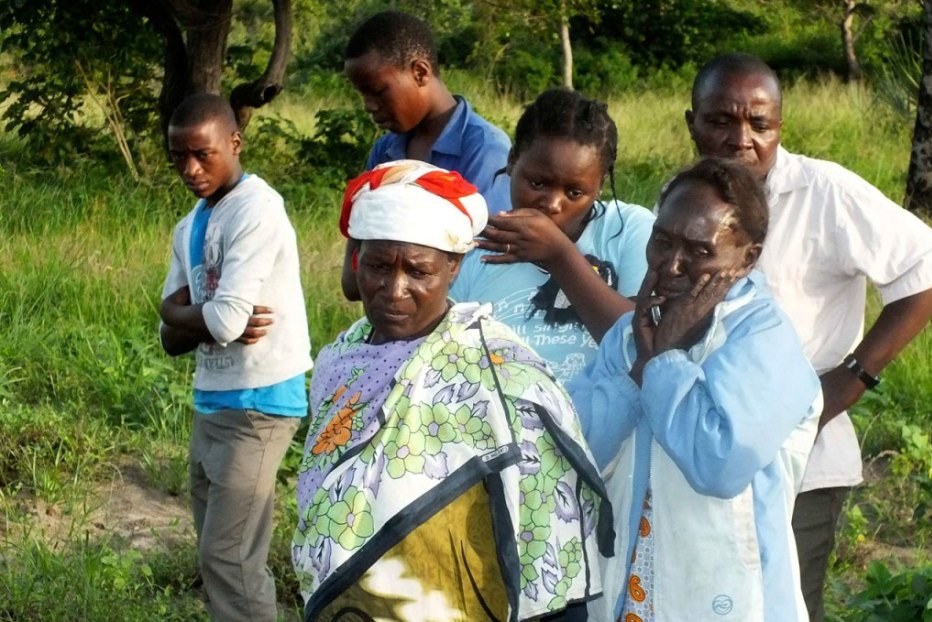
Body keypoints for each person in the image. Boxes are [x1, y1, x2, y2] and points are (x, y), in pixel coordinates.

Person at [684, 52, 932, 621]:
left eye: (759, 123)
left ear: (779, 126)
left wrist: (852, 379)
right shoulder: (686, 197)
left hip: (801, 460)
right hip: (701, 450)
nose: (741, 138)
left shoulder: (823, 191)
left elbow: (930, 268)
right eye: (721, 120)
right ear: (691, 122)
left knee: (784, 605)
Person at [293, 160, 612, 622]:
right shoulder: (340, 357)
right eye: (379, 266)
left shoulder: (504, 377)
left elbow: (549, 546)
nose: (394, 289)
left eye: (419, 272)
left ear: (454, 266)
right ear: (356, 260)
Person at [571, 158, 822, 621]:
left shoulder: (765, 339)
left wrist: (665, 364)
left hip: (732, 601)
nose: (672, 266)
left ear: (747, 258)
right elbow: (576, 449)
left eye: (700, 252)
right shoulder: (631, 335)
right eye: (662, 242)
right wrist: (642, 366)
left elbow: (718, 465)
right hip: (628, 594)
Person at [158, 93, 312, 622]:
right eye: (178, 156)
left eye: (203, 154)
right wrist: (181, 314)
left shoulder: (258, 208)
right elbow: (171, 337)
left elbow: (221, 322)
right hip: (211, 400)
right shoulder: (190, 225)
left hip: (261, 403)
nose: (190, 169)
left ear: (235, 142)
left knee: (229, 558)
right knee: (218, 553)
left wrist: (188, 313)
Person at [450, 88, 655, 385]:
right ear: (512, 161)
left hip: (600, 425)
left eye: (575, 192)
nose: (552, 204)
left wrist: (560, 256)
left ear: (599, 185)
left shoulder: (628, 228)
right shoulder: (477, 246)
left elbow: (639, 342)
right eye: (538, 183)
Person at [340, 10, 512, 301]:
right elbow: (355, 277)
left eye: (378, 92)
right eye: (362, 95)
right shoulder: (385, 152)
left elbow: (476, 264)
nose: (369, 106)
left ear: (420, 72)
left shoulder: (486, 149)